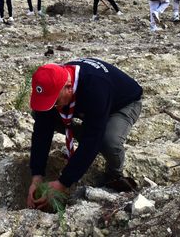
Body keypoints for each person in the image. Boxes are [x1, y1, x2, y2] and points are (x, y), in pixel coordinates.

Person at [26, 58, 143, 209]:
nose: (53, 106)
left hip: (123, 104)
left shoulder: (95, 86)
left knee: (107, 141)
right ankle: (85, 134)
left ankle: (114, 173)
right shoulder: (53, 84)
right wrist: (36, 176)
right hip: (88, 107)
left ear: (68, 87)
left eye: (55, 102)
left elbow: (93, 137)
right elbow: (41, 132)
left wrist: (63, 183)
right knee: (42, 115)